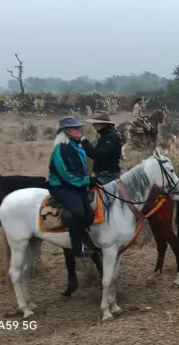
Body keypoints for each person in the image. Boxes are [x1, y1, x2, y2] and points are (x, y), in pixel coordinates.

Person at [48, 117, 99, 257]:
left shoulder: (75, 146)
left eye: (79, 127)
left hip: (75, 185)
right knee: (78, 212)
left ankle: (87, 240)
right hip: (61, 187)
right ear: (66, 131)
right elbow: (65, 175)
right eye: (75, 128)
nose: (79, 129)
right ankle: (76, 247)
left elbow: (79, 170)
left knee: (89, 212)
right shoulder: (60, 149)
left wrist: (88, 179)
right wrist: (87, 181)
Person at [82, 110, 123, 184]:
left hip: (109, 176)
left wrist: (84, 142)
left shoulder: (111, 138)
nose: (93, 125)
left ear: (104, 124)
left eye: (96, 123)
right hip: (104, 175)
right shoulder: (106, 136)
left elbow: (98, 155)